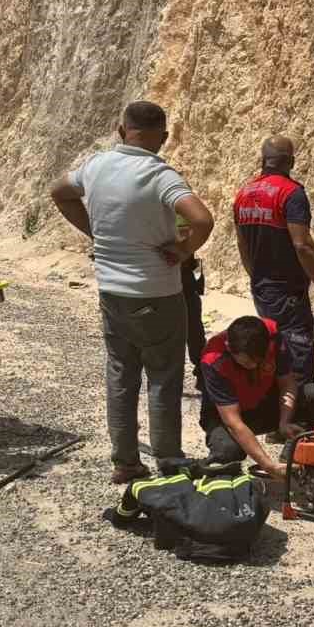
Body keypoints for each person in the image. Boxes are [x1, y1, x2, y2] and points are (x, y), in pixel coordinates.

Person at [49, 101, 215, 484]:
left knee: (122, 374)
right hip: (157, 293)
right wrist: (182, 248)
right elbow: (202, 219)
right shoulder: (159, 175)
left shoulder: (96, 166)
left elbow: (59, 192)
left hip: (111, 290)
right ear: (164, 137)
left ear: (121, 130)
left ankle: (125, 462)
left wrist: (96, 232)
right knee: (163, 376)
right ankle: (169, 459)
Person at [233, 137, 314, 384]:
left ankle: (276, 405)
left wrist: (256, 277)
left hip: (262, 287)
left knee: (271, 345)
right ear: (291, 161)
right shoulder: (291, 194)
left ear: (262, 160)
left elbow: (242, 245)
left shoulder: (243, 194)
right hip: (287, 290)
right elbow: (302, 245)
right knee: (297, 352)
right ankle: (301, 410)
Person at [199, 316, 314, 477]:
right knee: (227, 452)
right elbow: (233, 423)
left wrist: (285, 422)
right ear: (229, 347)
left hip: (262, 403)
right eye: (247, 363)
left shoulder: (272, 337)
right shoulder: (214, 361)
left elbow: (287, 383)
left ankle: (310, 457)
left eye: (258, 362)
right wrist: (268, 466)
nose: (254, 366)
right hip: (227, 416)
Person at [181, 255, 207, 388]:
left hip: (184, 286)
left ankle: (203, 372)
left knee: (195, 334)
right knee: (195, 334)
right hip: (184, 285)